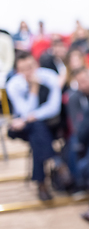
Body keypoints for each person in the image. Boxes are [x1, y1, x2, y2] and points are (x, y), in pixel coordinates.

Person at [6, 51, 64, 200]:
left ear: (36, 64)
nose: (28, 71)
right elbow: (24, 110)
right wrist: (34, 88)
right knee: (37, 129)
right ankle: (56, 161)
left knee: (37, 131)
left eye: (30, 67)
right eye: (23, 69)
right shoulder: (13, 85)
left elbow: (54, 108)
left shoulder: (50, 77)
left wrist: (30, 117)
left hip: (45, 124)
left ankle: (41, 184)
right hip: (25, 127)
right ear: (17, 70)